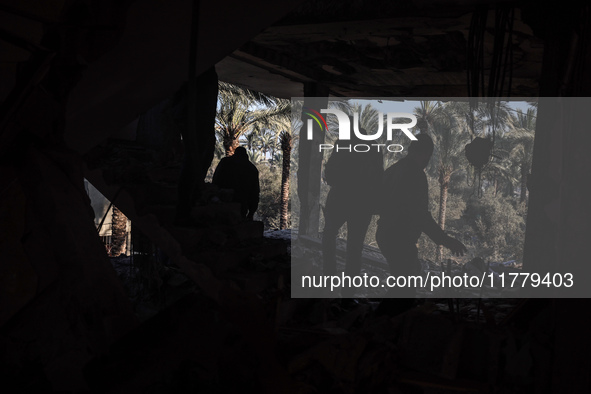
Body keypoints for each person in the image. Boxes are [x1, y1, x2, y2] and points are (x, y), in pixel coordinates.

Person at [376, 133, 466, 313]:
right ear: (424, 153)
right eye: (428, 156)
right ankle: (384, 322)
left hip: (386, 233)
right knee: (405, 287)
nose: (428, 161)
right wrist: (445, 240)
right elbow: (420, 215)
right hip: (398, 238)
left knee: (403, 281)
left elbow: (377, 201)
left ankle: (385, 322)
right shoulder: (415, 175)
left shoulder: (394, 169)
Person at [322, 127, 384, 298]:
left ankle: (329, 280)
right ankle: (348, 293)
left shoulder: (342, 144)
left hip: (339, 199)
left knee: (328, 236)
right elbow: (380, 179)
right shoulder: (375, 148)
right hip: (362, 204)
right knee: (355, 248)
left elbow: (330, 173)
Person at [212, 147, 260, 220]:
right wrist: (251, 212)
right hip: (242, 204)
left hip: (222, 202)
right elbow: (255, 192)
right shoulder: (251, 169)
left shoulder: (225, 162)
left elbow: (215, 180)